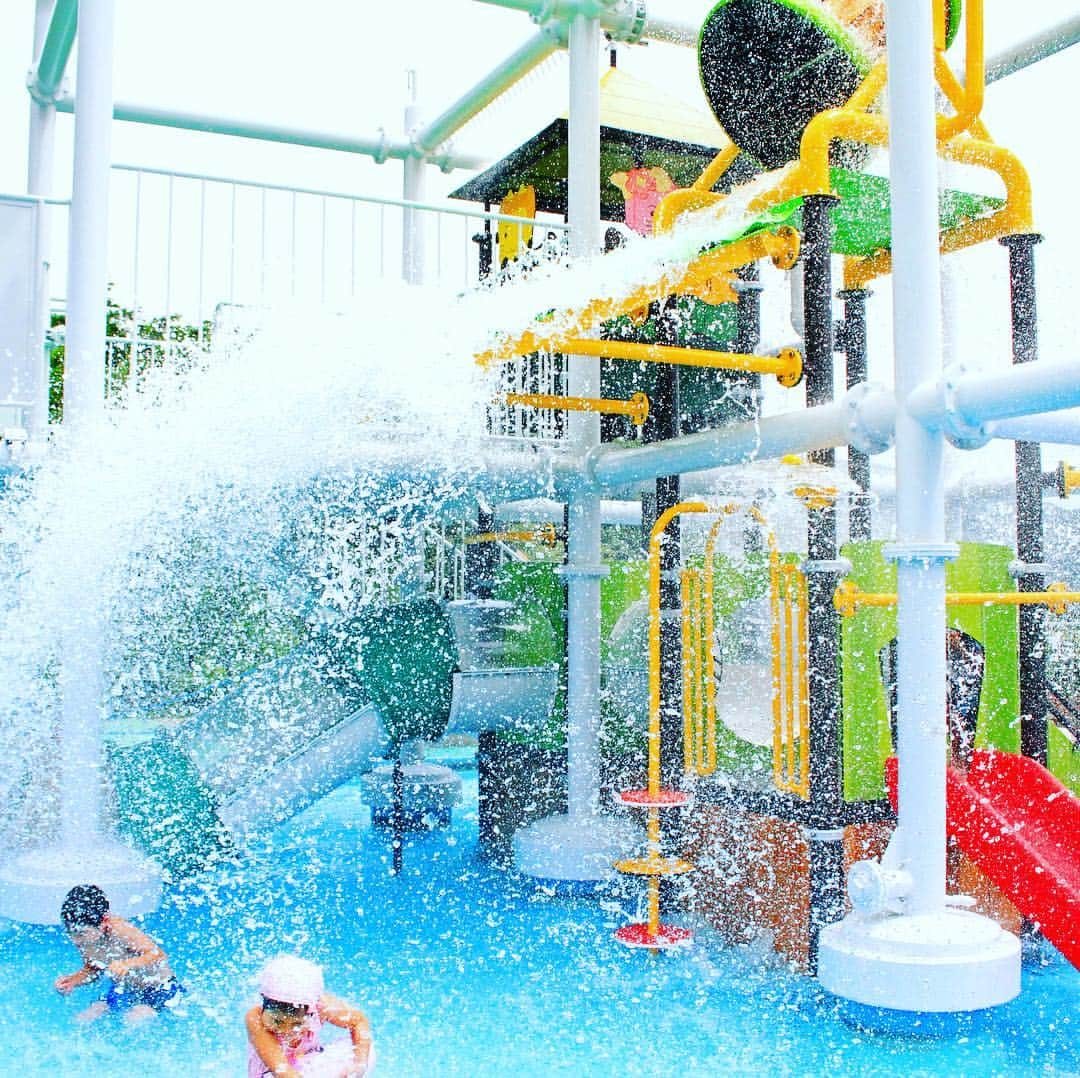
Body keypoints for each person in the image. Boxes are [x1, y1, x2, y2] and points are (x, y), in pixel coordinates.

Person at [54, 884, 185, 1024]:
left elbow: (157, 954)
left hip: (159, 987)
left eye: (81, 933)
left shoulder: (120, 930)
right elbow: (92, 969)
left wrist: (127, 964)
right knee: (90, 1014)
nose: (75, 940)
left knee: (135, 1017)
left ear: (104, 922)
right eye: (70, 933)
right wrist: (73, 981)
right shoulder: (85, 940)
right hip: (126, 988)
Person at [247, 956, 374, 1078]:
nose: (286, 1031)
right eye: (277, 1021)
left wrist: (359, 1066)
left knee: (360, 1051)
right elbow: (284, 1072)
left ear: (312, 1012)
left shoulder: (322, 1006)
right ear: (264, 1004)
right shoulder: (255, 1019)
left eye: (296, 1024)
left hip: (307, 1065)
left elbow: (359, 1021)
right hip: (276, 1074)